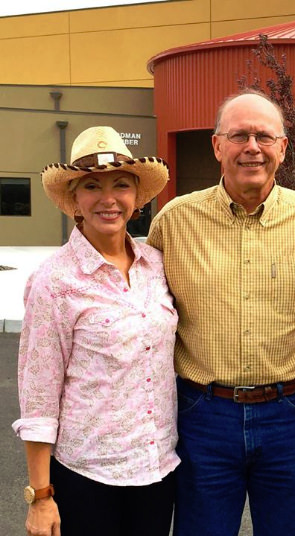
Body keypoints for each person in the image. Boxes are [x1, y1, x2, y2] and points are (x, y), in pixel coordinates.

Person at [146, 89, 295, 536]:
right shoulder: (174, 222)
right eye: (238, 136)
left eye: (263, 136)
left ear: (283, 147)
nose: (251, 147)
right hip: (203, 413)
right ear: (217, 146)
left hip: (289, 412)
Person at [13, 126, 179, 536]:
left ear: (136, 197)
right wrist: (41, 495)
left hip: (158, 468)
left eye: (121, 185)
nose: (108, 199)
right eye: (92, 186)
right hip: (87, 476)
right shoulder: (54, 281)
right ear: (75, 201)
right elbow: (38, 397)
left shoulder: (156, 265)